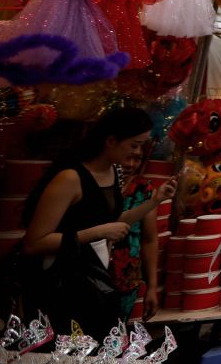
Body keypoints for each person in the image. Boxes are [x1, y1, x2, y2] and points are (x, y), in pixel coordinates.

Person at [22, 108, 174, 337]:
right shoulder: (70, 178)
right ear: (110, 141)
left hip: (94, 284)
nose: (137, 152)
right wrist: (96, 233)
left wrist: (154, 201)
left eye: (141, 145)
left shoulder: (113, 172)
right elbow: (34, 242)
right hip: (61, 288)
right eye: (133, 145)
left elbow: (112, 223)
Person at [110, 151, 163, 320]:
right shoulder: (97, 185)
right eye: (127, 156)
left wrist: (152, 287)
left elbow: (149, 240)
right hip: (90, 276)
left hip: (125, 280)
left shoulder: (145, 191)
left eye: (137, 159)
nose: (130, 164)